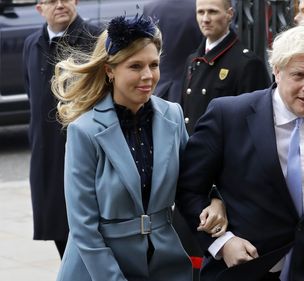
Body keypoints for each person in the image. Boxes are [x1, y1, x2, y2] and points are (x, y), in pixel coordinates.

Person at [177, 21, 304, 281]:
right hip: (246, 271)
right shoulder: (229, 116)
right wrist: (222, 244)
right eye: (298, 75)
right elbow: (188, 189)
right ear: (277, 71)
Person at [51, 15, 227, 280]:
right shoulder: (84, 131)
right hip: (98, 268)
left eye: (153, 65)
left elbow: (192, 183)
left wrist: (216, 200)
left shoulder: (173, 115)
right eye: (135, 66)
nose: (148, 76)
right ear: (110, 70)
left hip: (163, 265)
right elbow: (84, 229)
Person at [22, 0, 100, 259]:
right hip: (46, 155)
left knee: (87, 238)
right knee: (59, 234)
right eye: (51, 1)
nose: (60, 5)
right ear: (39, 8)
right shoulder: (32, 44)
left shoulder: (95, 38)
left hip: (83, 155)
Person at [181, 0, 271, 134]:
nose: (205, 19)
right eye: (200, 12)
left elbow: (254, 123)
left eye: (212, 12)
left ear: (230, 14)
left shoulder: (247, 63)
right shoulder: (193, 60)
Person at [143, 0, 203, 102]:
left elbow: (145, 45)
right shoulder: (199, 7)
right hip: (191, 85)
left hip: (158, 86)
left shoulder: (150, 7)